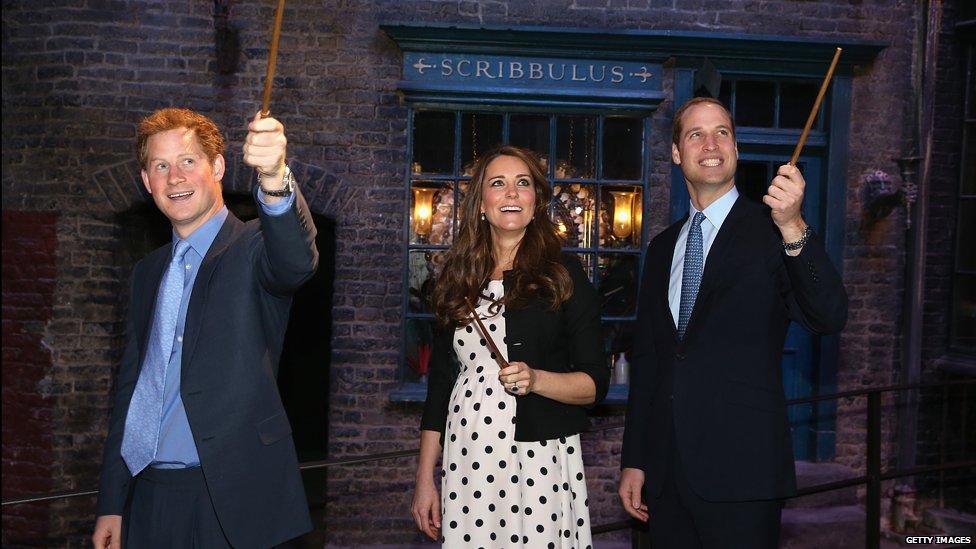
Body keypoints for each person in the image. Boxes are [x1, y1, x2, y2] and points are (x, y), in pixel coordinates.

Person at [618, 97, 848, 548]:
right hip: (665, 474)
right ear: (676, 153)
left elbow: (828, 314)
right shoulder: (662, 248)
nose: (711, 143)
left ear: (737, 149)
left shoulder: (774, 230)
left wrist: (794, 225)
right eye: (696, 134)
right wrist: (636, 459)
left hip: (744, 471)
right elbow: (649, 361)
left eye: (722, 132)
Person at [91, 107, 318, 548]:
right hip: (148, 496)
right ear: (146, 182)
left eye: (188, 161)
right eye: (161, 166)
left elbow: (295, 262)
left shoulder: (255, 246)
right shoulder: (147, 271)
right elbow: (133, 390)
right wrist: (112, 502)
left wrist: (274, 177)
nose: (175, 177)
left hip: (230, 500)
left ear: (216, 167)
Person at [411, 145, 609, 548]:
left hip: (539, 458)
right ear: (481, 204)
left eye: (523, 184)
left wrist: (536, 379)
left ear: (536, 203)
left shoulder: (564, 276)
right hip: (467, 455)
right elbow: (441, 386)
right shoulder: (457, 278)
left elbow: (594, 384)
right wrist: (424, 480)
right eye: (498, 184)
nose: (512, 193)